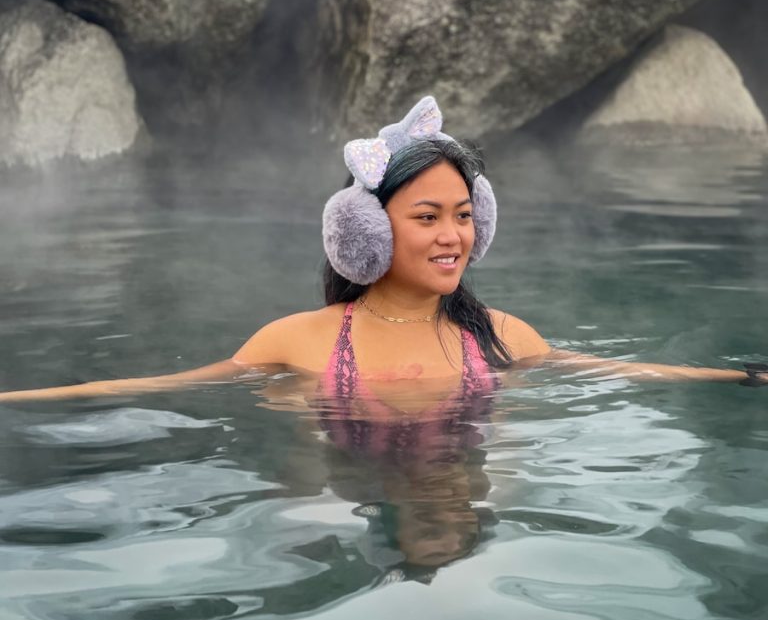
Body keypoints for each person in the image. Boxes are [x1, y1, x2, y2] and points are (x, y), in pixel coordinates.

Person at [1, 95, 766, 407]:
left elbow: (620, 373)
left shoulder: (499, 337)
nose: (452, 236)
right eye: (427, 216)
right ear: (363, 232)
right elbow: (160, 387)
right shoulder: (294, 340)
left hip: (473, 514)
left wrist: (744, 375)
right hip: (340, 508)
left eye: (464, 215)